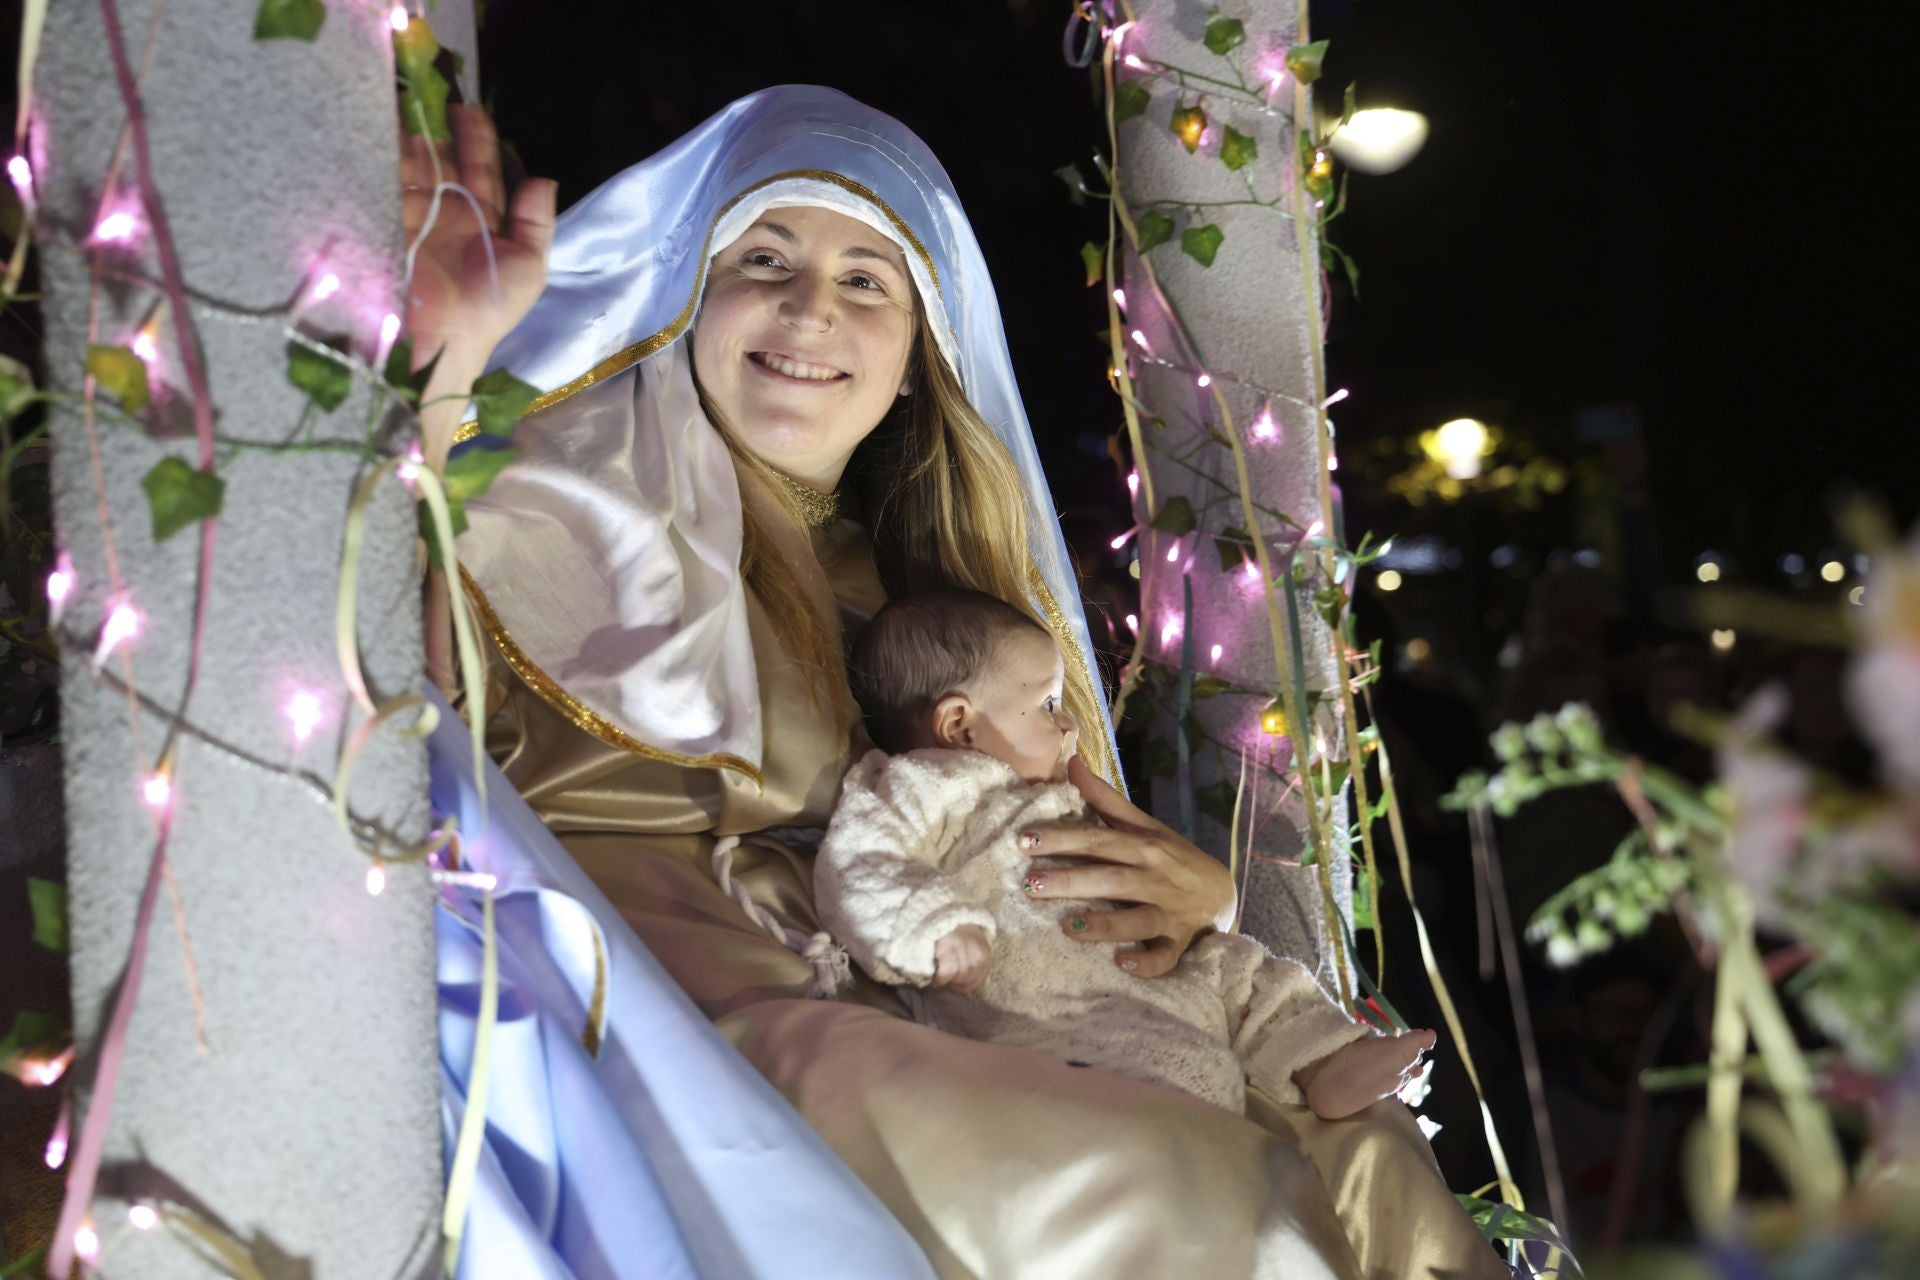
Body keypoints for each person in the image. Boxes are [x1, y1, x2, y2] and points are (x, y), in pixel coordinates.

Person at [408, 85, 1505, 1278]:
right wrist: (439, 379)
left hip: (968, 1006)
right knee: (1184, 1188)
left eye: (866, 278)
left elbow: (1059, 831)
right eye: (764, 254)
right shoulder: (555, 495)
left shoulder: (940, 588)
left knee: (1360, 1143)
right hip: (699, 1009)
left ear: (920, 346)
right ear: (685, 286)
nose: (807, 307)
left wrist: (1198, 900)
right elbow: (396, 684)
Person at [817, 589, 1436, 1128]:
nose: (1070, 728)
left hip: (1134, 969)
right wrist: (934, 925)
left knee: (1239, 968)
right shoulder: (920, 785)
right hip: (1041, 1003)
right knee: (1169, 1065)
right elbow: (860, 862)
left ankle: (1327, 1057)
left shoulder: (1055, 796)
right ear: (958, 725)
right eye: (1049, 705)